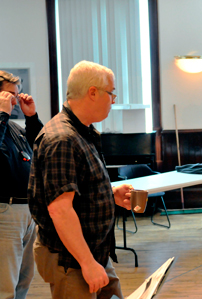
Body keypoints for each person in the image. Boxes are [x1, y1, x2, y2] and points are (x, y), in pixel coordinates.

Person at [28, 61, 133, 299]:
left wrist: (110, 194)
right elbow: (60, 210)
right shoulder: (62, 139)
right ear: (93, 92)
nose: (113, 100)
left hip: (92, 252)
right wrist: (87, 263)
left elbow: (78, 189)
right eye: (111, 93)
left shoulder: (82, 131)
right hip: (73, 260)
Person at [0, 71, 43, 299]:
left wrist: (32, 117)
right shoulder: (2, 123)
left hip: (27, 211)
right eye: (9, 95)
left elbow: (41, 146)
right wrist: (2, 115)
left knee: (23, 280)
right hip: (5, 212)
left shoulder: (14, 127)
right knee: (5, 284)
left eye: (17, 95)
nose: (15, 101)